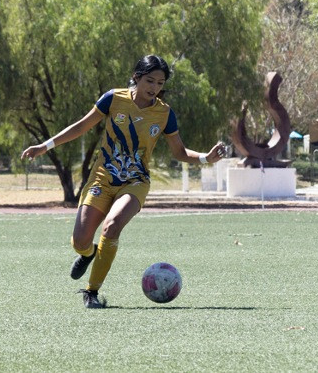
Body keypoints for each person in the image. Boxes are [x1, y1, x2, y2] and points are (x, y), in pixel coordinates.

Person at [20, 55, 227, 309]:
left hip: (135, 181)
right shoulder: (113, 99)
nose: (154, 87)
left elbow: (180, 152)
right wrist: (44, 146)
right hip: (102, 178)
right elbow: (81, 127)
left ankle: (91, 291)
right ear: (136, 77)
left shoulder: (164, 114)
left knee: (112, 226)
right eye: (149, 80)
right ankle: (89, 253)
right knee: (79, 242)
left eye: (160, 83)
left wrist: (207, 158)